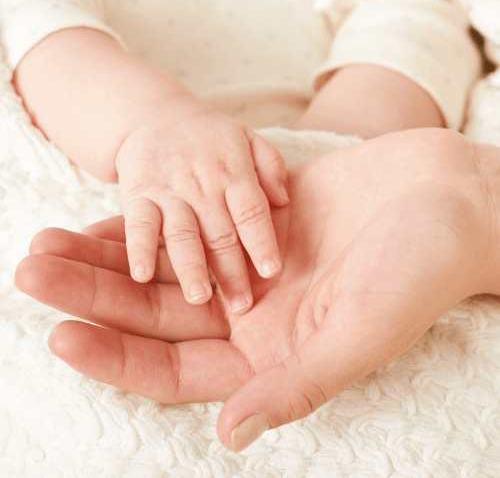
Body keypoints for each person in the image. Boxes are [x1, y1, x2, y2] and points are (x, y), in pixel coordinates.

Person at [1, 0, 483, 315]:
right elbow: (35, 19)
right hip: (118, 165)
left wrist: (328, 153)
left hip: (316, 195)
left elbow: (414, 29)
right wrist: (154, 124)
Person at [15, 127, 500, 451]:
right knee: (380, 79)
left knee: (382, 80)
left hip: (325, 172)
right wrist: (151, 117)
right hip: (299, 164)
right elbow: (36, 20)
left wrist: (478, 195)